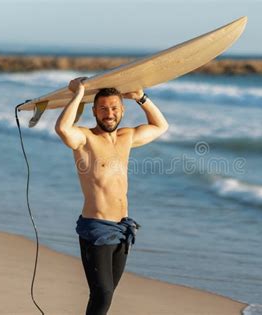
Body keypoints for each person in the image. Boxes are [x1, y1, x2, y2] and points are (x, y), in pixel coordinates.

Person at [55, 77, 169, 315]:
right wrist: (79, 94)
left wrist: (141, 98)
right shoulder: (85, 139)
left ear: (122, 110)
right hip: (96, 229)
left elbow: (161, 127)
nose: (109, 113)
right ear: (95, 111)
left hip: (123, 228)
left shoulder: (126, 137)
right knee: (103, 293)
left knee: (105, 295)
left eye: (114, 108)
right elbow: (63, 129)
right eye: (103, 108)